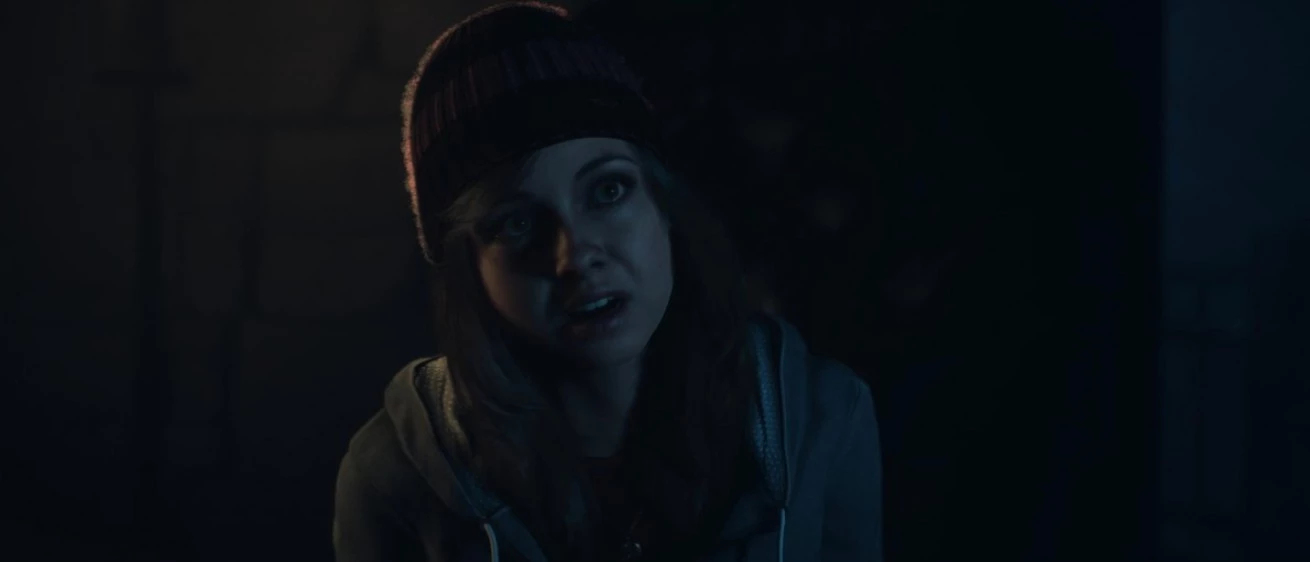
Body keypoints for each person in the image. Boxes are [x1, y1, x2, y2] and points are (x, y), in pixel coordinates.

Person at [332, 2, 883, 561]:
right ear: (467, 266)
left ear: (662, 203)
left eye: (608, 191)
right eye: (517, 223)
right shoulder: (394, 479)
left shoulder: (823, 421)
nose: (574, 257)